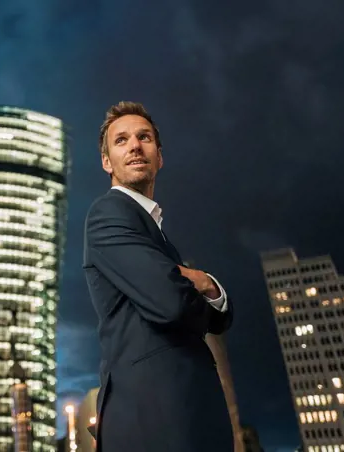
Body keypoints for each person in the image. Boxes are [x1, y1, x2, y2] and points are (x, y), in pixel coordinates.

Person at [83, 101, 234, 451]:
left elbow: (220, 319)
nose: (135, 145)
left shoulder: (156, 233)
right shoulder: (108, 212)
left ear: (159, 156)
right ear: (107, 162)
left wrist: (205, 281)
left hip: (185, 415)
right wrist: (184, 288)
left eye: (144, 137)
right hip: (154, 420)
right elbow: (172, 304)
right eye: (121, 140)